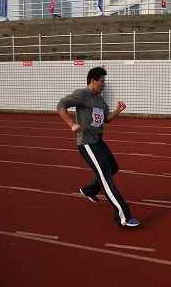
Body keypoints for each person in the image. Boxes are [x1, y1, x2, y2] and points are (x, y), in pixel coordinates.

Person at [57, 67, 140, 227]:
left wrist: (118, 110)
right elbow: (61, 105)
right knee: (105, 177)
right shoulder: (82, 94)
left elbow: (106, 119)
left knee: (113, 168)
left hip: (98, 141)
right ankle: (124, 216)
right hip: (87, 143)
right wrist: (72, 124)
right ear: (93, 81)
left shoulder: (100, 99)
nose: (104, 85)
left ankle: (89, 190)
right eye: (102, 81)